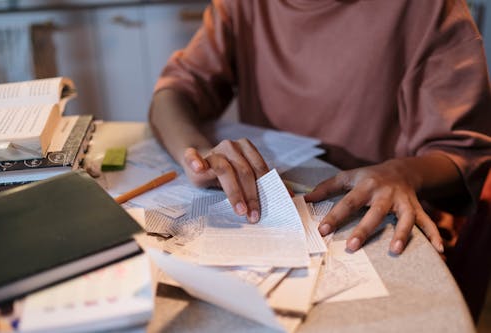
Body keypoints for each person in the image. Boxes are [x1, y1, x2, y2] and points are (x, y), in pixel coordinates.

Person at [149, 0, 491, 312]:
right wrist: (196, 153)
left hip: (382, 220)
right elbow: (176, 91)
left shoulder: (427, 9)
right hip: (279, 213)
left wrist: (401, 172)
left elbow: (461, 152)